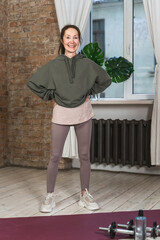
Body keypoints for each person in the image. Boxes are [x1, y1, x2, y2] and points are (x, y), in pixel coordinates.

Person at [27, 24, 111, 213]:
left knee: (84, 155)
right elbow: (32, 82)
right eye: (68, 37)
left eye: (75, 37)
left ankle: (84, 194)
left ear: (79, 41)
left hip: (83, 111)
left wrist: (91, 91)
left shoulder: (87, 64)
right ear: (62, 40)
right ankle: (49, 196)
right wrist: (50, 95)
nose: (71, 41)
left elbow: (105, 79)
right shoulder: (54, 65)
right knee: (55, 156)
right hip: (61, 112)